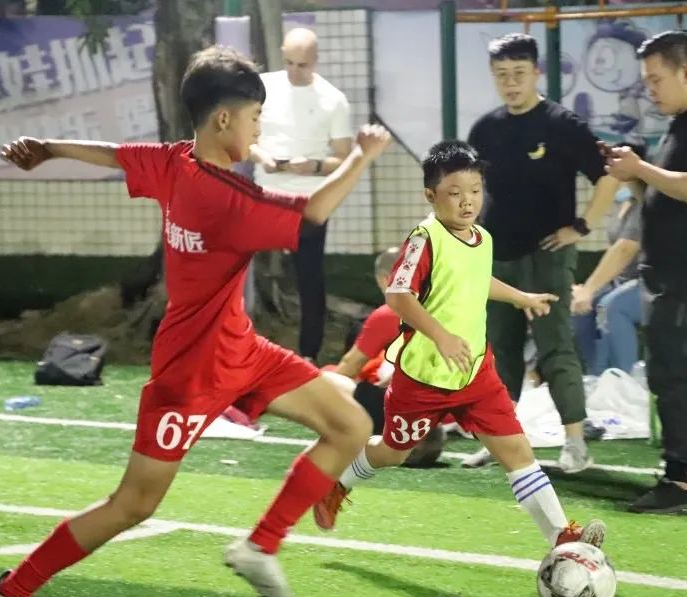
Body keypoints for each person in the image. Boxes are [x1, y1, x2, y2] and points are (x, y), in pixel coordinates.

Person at [0, 45, 392, 597]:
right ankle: (12, 589)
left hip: (240, 350)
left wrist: (48, 147)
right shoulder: (226, 199)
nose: (258, 130)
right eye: (255, 117)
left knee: (351, 426)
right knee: (133, 504)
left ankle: (260, 546)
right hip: (189, 373)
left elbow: (116, 154)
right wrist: (362, 154)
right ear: (224, 119)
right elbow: (314, 212)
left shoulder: (175, 162)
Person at [311, 140, 607, 552]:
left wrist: (521, 297)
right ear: (430, 196)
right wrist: (441, 335)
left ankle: (563, 537)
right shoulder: (424, 239)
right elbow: (398, 295)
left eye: (475, 190)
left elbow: (476, 280)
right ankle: (337, 485)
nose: (468, 201)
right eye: (455, 193)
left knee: (517, 451)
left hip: (474, 372)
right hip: (424, 379)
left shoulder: (481, 237)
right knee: (393, 453)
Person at [465, 33, 620, 473]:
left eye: (518, 73)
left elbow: (608, 176)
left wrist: (582, 226)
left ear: (536, 72)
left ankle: (576, 444)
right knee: (499, 349)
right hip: (496, 255)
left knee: (555, 346)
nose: (510, 83)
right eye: (501, 75)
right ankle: (501, 441)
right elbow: (472, 187)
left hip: (547, 255)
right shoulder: (485, 129)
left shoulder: (561, 124)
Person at [600, 30, 687, 513]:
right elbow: (666, 195)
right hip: (667, 269)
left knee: (676, 372)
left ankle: (684, 476)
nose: (651, 90)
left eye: (656, 80)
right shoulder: (682, 125)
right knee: (672, 370)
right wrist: (634, 175)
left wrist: (642, 168)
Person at [250, 27, 353, 363]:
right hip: (264, 196)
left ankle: (309, 354)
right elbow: (241, 137)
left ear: (316, 61)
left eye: (303, 65)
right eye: (290, 63)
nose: (295, 71)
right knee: (234, 267)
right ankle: (236, 348)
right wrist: (261, 156)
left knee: (309, 278)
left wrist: (314, 165)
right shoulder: (262, 86)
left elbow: (344, 158)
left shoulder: (333, 100)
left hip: (309, 202)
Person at [323, 248, 447, 466]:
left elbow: (348, 368)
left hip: (414, 410)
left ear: (385, 279)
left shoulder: (390, 313)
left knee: (328, 380)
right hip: (452, 409)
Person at [570, 145, 647, 375]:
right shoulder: (624, 200)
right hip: (623, 282)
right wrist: (586, 292)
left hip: (656, 283)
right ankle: (598, 376)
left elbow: (624, 249)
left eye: (615, 161)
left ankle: (625, 379)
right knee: (580, 308)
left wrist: (589, 288)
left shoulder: (648, 202)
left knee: (612, 306)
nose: (608, 167)